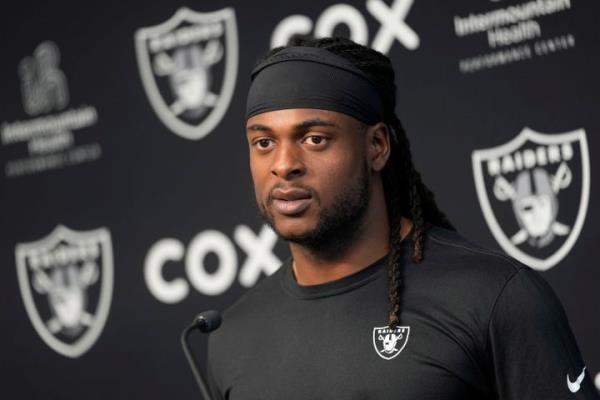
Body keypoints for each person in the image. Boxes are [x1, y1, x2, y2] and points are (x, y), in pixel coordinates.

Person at [207, 36, 598, 399]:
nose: (284, 165)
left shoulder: (495, 297)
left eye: (315, 139)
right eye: (263, 143)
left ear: (377, 146)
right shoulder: (232, 338)